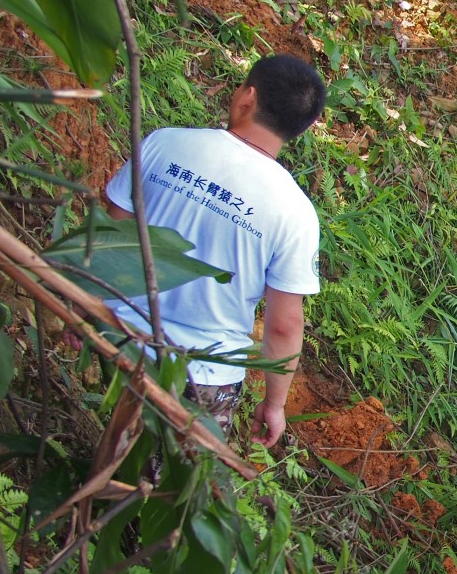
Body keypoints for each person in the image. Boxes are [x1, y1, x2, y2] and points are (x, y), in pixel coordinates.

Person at [104, 54, 326, 447]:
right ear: (301, 128)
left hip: (117, 340)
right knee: (164, 498)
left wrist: (86, 308)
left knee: (98, 458)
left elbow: (111, 233)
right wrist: (274, 404)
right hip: (202, 378)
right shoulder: (296, 213)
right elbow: (283, 325)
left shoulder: (164, 144)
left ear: (247, 97)